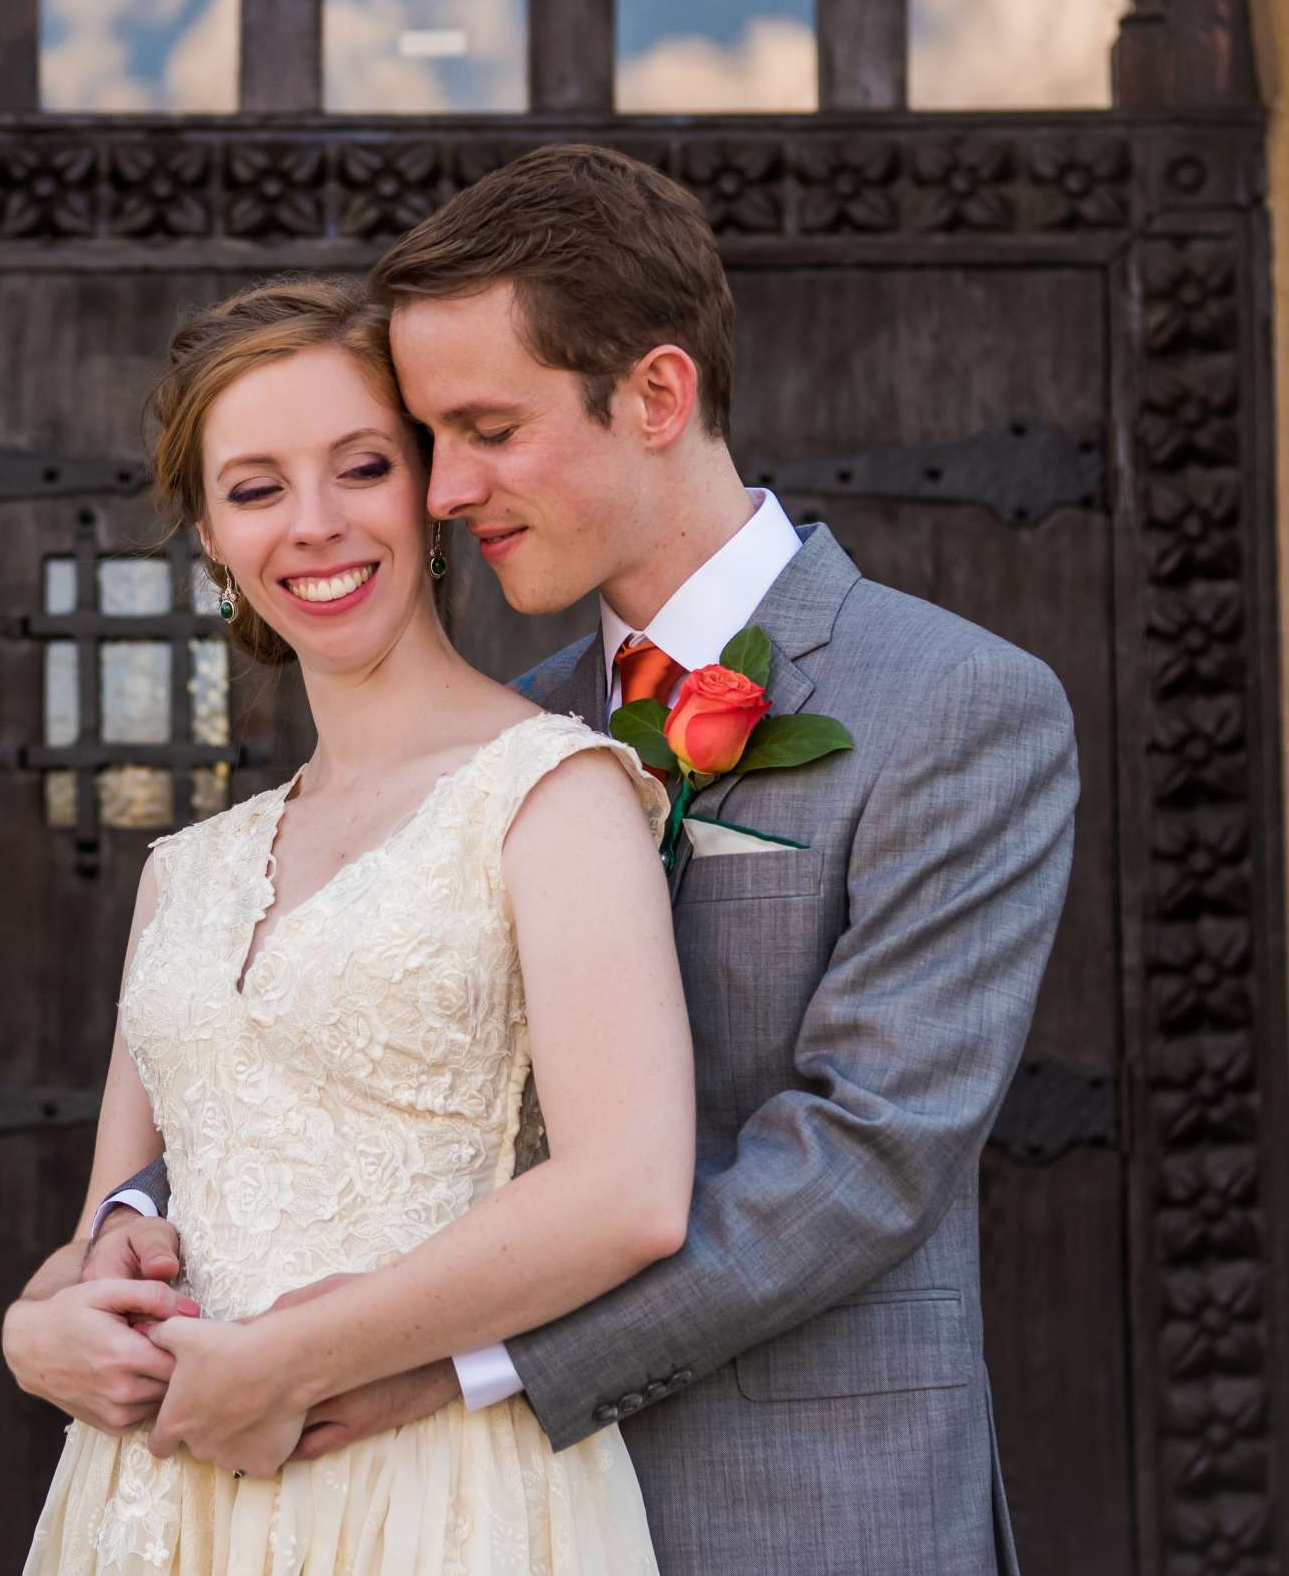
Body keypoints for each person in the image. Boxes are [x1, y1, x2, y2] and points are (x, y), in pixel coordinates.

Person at [66, 145, 1080, 1575]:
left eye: (483, 428)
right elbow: (332, 1066)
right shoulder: (512, 734)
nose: (443, 487)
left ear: (656, 395)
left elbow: (866, 1158)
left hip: (798, 1506)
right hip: (466, 1515)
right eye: (429, 438)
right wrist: (116, 1235)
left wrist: (460, 1368)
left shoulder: (959, 705)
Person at [4, 273, 697, 1573]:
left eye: (359, 469)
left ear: (428, 492)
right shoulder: (188, 873)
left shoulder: (552, 794)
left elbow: (630, 1194)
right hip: (151, 1510)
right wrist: (36, 1333)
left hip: (426, 1495)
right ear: (211, 535)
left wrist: (286, 1358)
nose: (313, 528)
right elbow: (114, 1225)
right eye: (257, 489)